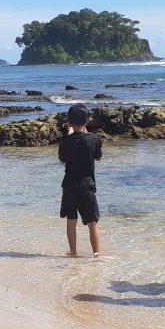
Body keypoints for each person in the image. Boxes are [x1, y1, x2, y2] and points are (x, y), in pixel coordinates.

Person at [58, 104, 103, 257]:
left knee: (71, 221)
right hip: (87, 186)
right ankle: (96, 254)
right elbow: (98, 156)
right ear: (88, 121)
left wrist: (70, 135)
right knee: (92, 223)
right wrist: (86, 134)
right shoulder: (94, 138)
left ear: (69, 122)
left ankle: (73, 252)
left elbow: (63, 159)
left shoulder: (65, 140)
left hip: (69, 185)